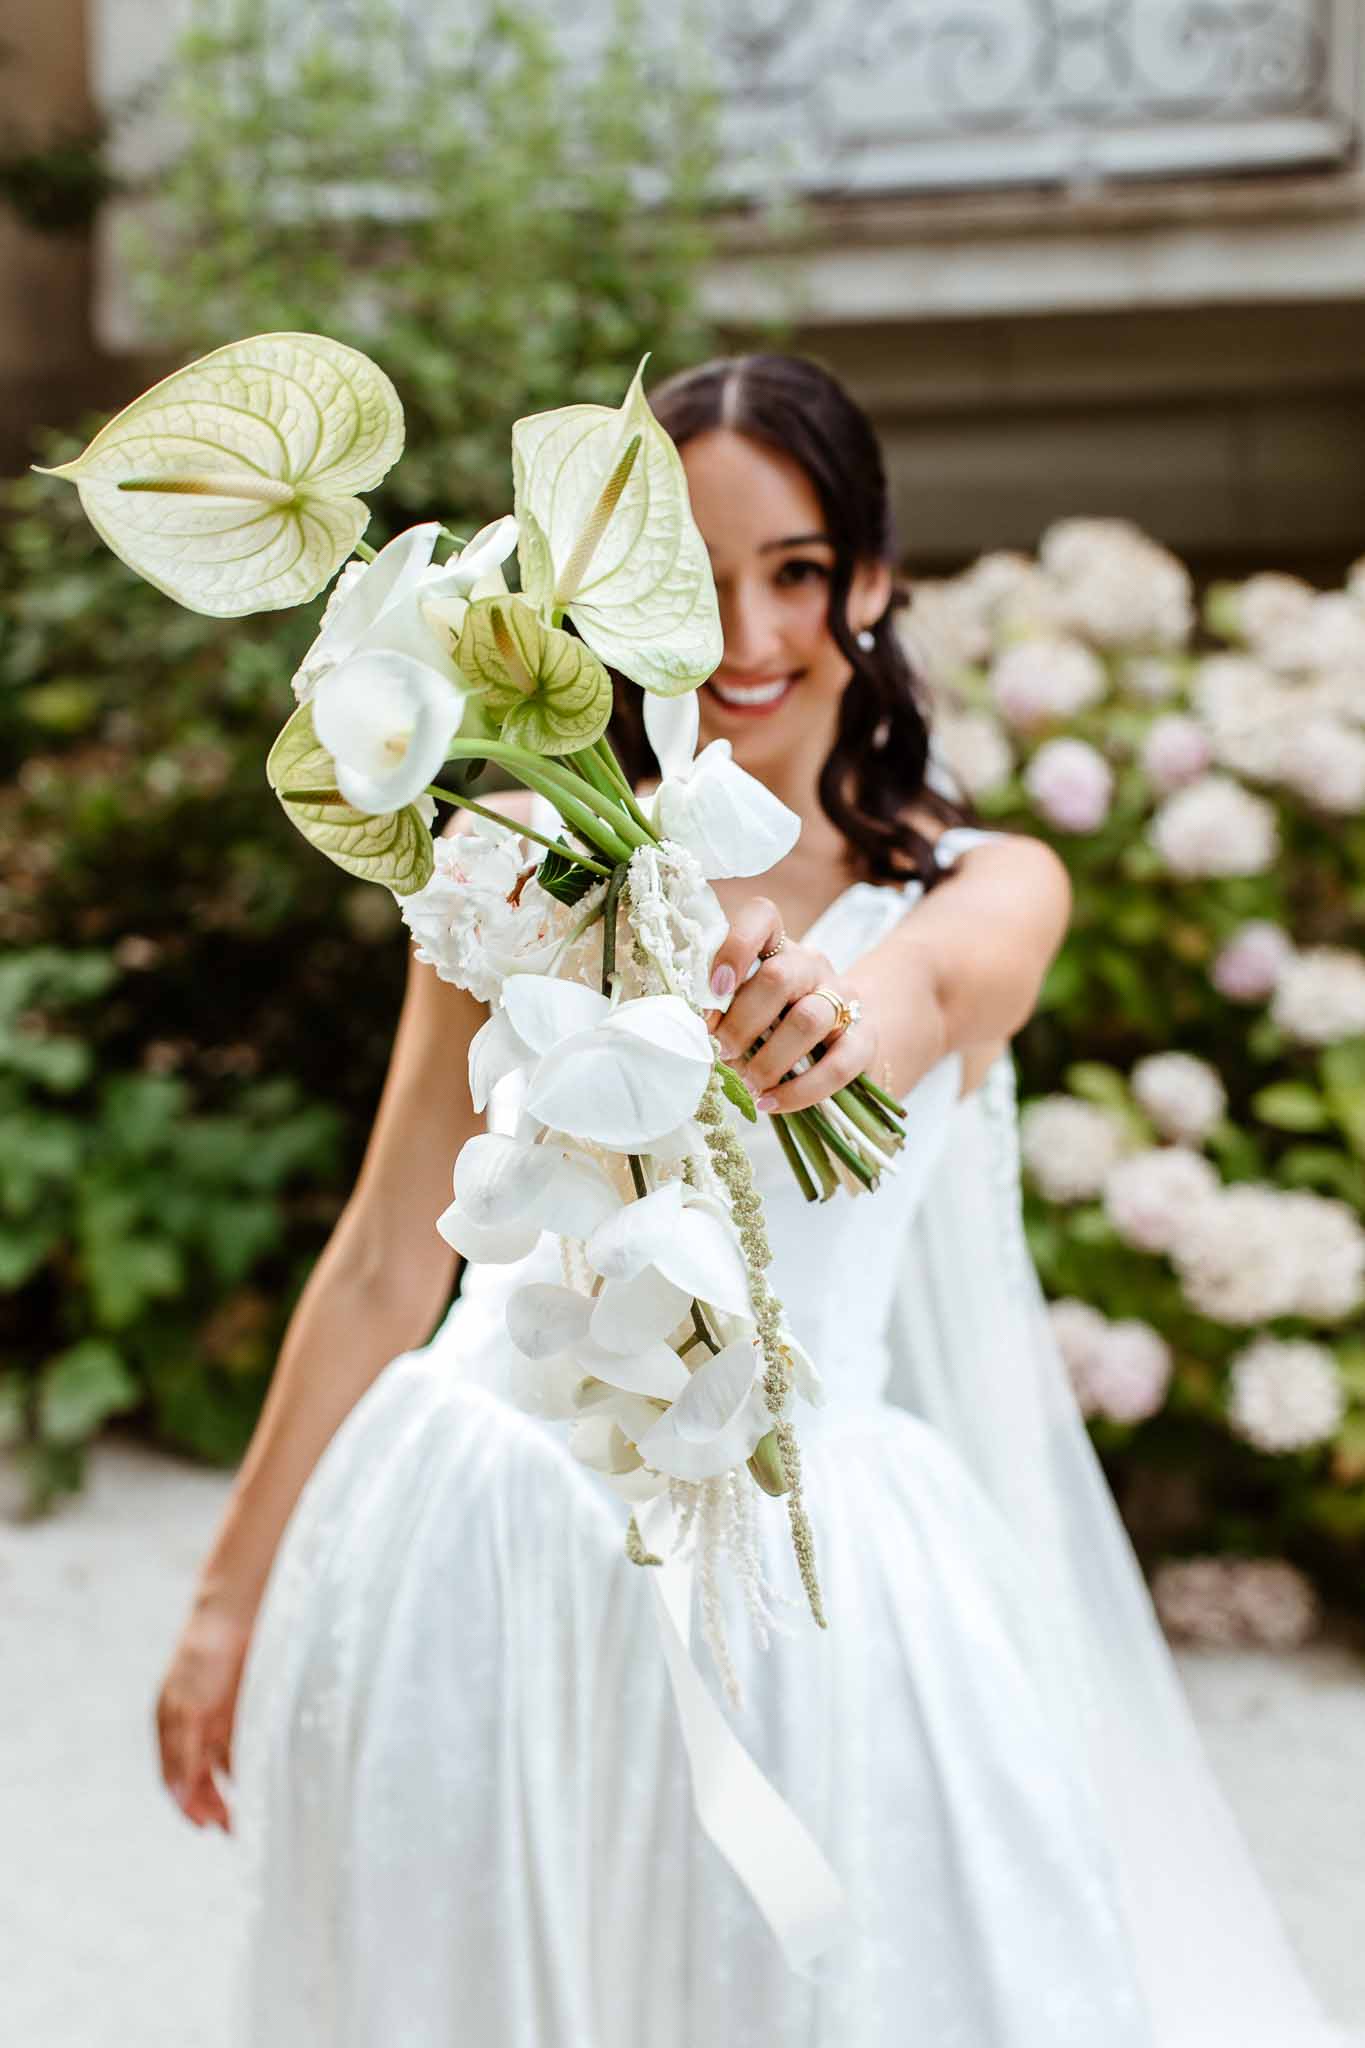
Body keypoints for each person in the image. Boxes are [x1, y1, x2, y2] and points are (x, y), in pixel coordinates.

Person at [155, 355, 1348, 2046]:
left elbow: (921, 998)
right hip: (484, 1532)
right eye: (690, 579)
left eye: (794, 572)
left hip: (796, 1567)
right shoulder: (512, 851)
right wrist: (223, 1600)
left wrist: (829, 1018)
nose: (746, 634)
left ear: (869, 582)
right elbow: (376, 1260)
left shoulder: (988, 885)